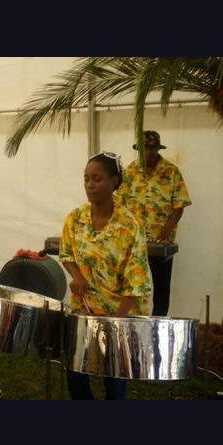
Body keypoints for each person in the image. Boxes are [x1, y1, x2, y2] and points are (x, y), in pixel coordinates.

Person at [59, 152, 152, 400]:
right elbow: (66, 254)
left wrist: (116, 325)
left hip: (118, 314)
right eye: (86, 178)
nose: (90, 185)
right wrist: (77, 275)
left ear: (114, 182)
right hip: (84, 310)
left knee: (114, 381)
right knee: (76, 374)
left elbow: (136, 280)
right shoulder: (74, 219)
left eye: (97, 179)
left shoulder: (129, 224)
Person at [115, 131, 192, 317]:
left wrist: (167, 229)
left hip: (160, 241)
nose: (148, 152)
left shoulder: (171, 171)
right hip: (134, 242)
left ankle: (158, 324)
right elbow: (118, 205)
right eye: (144, 148)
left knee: (161, 288)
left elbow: (179, 205)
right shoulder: (128, 172)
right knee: (131, 285)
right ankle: (132, 322)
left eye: (152, 148)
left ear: (158, 149)